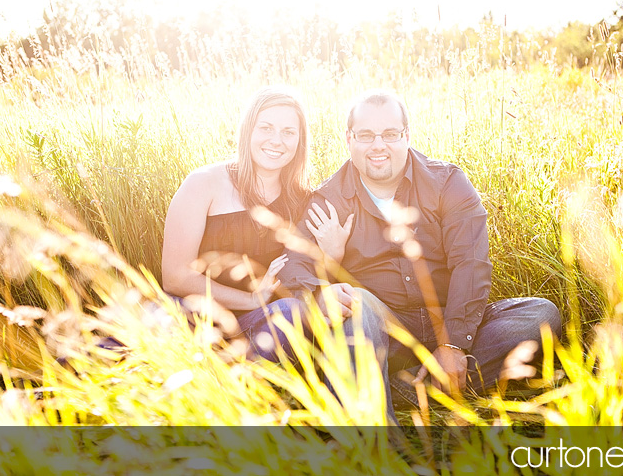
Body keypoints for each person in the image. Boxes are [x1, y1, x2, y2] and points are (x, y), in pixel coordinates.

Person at [280, 89, 562, 423]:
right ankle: (378, 438)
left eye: (390, 134)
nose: (378, 146)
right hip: (387, 334)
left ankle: (399, 391)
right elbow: (293, 266)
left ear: (407, 136)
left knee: (540, 315)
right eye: (366, 135)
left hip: (454, 322)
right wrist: (319, 291)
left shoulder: (447, 183)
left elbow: (470, 264)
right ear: (349, 139)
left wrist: (455, 344)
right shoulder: (329, 199)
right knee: (352, 303)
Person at [161, 86, 340, 361]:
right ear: (248, 132)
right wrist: (248, 300)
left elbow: (306, 278)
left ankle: (237, 385)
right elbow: (175, 277)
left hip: (258, 325)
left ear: (299, 141)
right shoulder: (203, 184)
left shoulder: (303, 202)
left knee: (292, 313)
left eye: (288, 132)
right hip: (194, 315)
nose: (277, 141)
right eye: (266, 128)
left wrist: (334, 251)